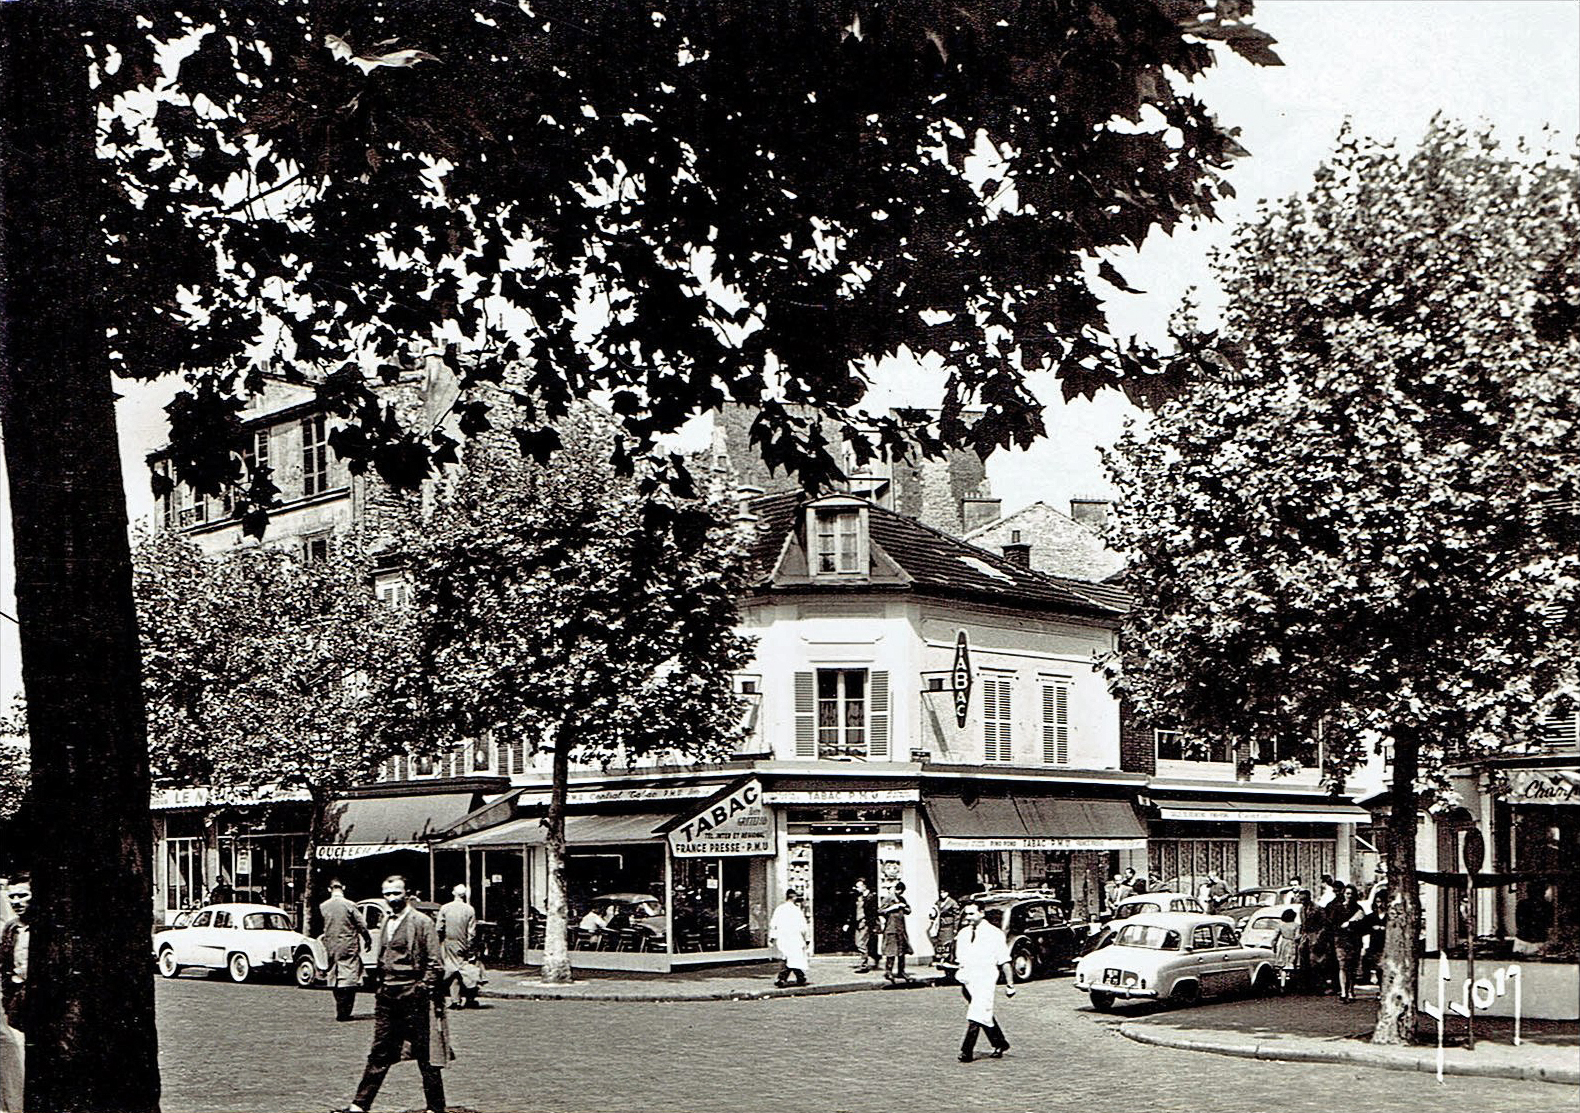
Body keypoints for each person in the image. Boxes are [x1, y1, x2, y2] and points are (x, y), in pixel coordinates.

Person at [339, 876, 450, 1113]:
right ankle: (359, 1105)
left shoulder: (421, 922)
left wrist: (422, 988)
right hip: (387, 995)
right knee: (380, 1050)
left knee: (425, 1052)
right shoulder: (386, 921)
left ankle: (435, 1107)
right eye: (387, 894)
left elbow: (435, 963)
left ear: (407, 894)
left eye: (396, 893)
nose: (391, 899)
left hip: (413, 995)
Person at [953, 899, 1015, 1062]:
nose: (969, 917)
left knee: (976, 1013)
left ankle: (966, 1051)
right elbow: (960, 957)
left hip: (985, 978)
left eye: (972, 914)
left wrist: (1010, 984)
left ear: (982, 913)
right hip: (968, 980)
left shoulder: (994, 934)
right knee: (983, 1012)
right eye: (967, 914)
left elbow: (1004, 960)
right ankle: (1000, 1042)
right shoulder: (963, 934)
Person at [320, 878, 372, 1022]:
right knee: (349, 976)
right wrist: (367, 938)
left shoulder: (324, 906)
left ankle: (339, 1007)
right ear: (344, 887)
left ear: (329, 889)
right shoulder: (349, 905)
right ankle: (345, 1010)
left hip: (331, 945)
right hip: (348, 944)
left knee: (334, 975)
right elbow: (362, 924)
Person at [0, 875, 30, 1113]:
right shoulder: (11, 928)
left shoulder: (48, 927)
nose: (17, 901)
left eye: (23, 896)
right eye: (13, 897)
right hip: (17, 998)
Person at [437, 884, 483, 1010]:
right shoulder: (469, 909)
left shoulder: (445, 908)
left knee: (453, 969)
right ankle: (470, 998)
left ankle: (455, 999)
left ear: (453, 893)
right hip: (464, 943)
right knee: (467, 969)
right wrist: (470, 945)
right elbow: (472, 931)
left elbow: (439, 928)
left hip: (449, 943)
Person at [1331, 885, 1366, 1002]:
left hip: (1354, 941)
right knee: (1343, 965)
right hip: (1341, 940)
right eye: (1347, 893)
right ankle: (1344, 991)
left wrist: (1351, 924)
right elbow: (1333, 924)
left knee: (1352, 967)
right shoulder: (1337, 908)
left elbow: (1363, 926)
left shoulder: (1358, 908)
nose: (1349, 896)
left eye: (1351, 894)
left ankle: (1351, 990)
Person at [768, 889, 810, 988]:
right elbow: (803, 926)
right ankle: (786, 978)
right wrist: (807, 938)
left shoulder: (779, 909)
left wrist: (772, 937)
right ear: (794, 897)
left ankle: (797, 977)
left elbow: (773, 924)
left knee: (787, 957)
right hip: (795, 937)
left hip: (783, 937)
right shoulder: (796, 910)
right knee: (793, 958)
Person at [879, 881, 914, 983]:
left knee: (901, 951)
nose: (899, 893)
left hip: (901, 928)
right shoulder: (888, 898)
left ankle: (901, 971)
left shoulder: (902, 899)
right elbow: (880, 911)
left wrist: (903, 907)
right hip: (891, 928)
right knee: (891, 951)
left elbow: (909, 910)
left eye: (901, 891)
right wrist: (892, 908)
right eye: (898, 890)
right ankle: (888, 971)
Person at [845, 879, 878, 973]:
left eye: (858, 886)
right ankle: (870, 959)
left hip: (865, 923)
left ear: (864, 886)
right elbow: (853, 910)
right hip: (858, 923)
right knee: (858, 943)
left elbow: (873, 912)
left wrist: (868, 922)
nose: (856, 888)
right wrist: (848, 923)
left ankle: (864, 965)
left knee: (861, 943)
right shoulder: (858, 897)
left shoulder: (871, 897)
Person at [1514, 883, 1554, 956]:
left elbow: (1519, 923)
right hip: (1535, 940)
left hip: (1527, 939)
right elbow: (1549, 924)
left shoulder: (1522, 904)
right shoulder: (1547, 906)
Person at [929, 888, 961, 967]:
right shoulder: (938, 902)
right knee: (940, 942)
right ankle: (940, 958)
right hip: (940, 924)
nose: (942, 894)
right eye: (941, 892)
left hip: (949, 925)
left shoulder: (952, 902)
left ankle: (948, 959)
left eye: (944, 892)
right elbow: (935, 911)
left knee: (948, 942)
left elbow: (957, 916)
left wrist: (955, 928)